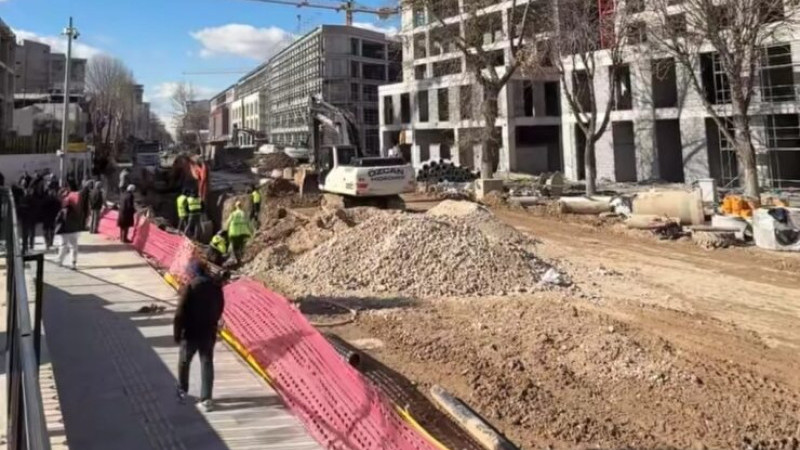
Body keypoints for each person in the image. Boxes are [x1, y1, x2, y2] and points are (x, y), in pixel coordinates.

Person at [173, 260, 225, 412]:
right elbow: (220, 307)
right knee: (207, 362)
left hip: (191, 332)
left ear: (192, 272)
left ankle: (182, 391)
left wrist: (177, 333)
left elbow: (179, 313)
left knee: (184, 361)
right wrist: (213, 322)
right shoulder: (216, 287)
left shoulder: (190, 287)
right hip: (208, 331)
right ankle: (206, 398)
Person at [54, 199, 82, 269]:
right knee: (73, 247)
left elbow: (57, 220)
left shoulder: (62, 211)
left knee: (63, 246)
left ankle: (60, 261)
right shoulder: (75, 211)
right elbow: (79, 220)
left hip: (64, 231)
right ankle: (73, 262)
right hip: (73, 231)